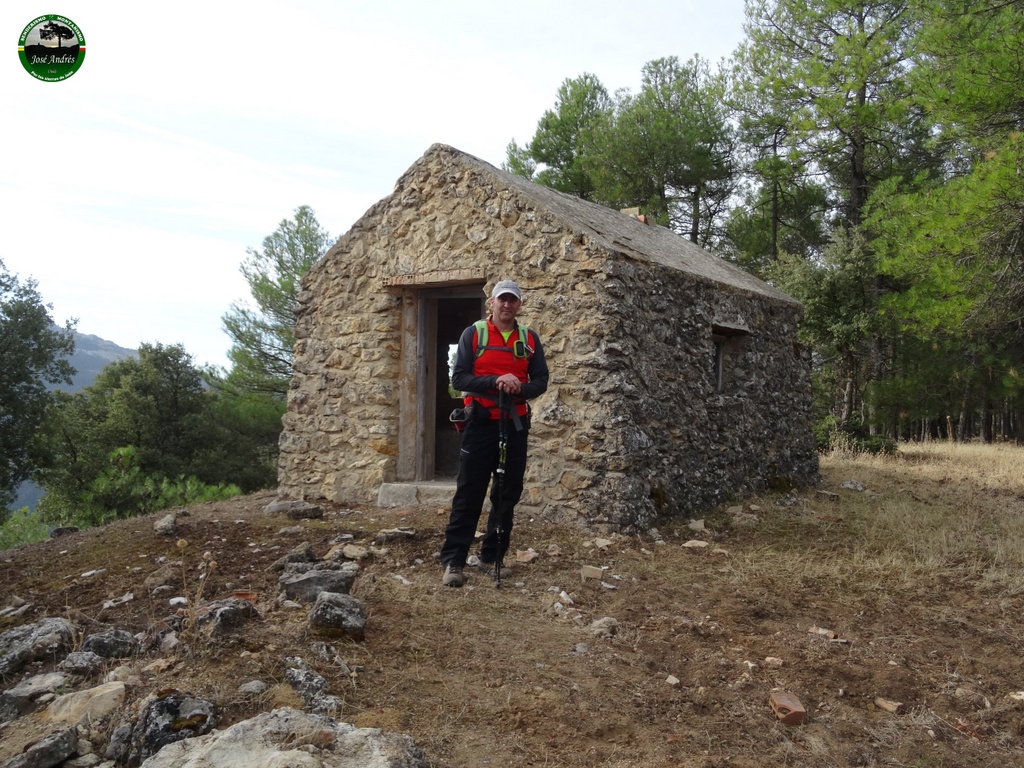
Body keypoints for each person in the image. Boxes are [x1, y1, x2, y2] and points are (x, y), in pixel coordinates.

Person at [440, 279, 549, 587]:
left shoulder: (529, 339)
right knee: (469, 491)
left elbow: (541, 380)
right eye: (502, 299)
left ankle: (492, 557)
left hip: (514, 423)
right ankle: (454, 561)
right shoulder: (474, 334)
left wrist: (519, 387)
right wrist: (495, 381)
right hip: (480, 422)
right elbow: (459, 378)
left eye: (512, 300)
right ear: (492, 302)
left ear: (519, 304)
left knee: (507, 493)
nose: (506, 305)